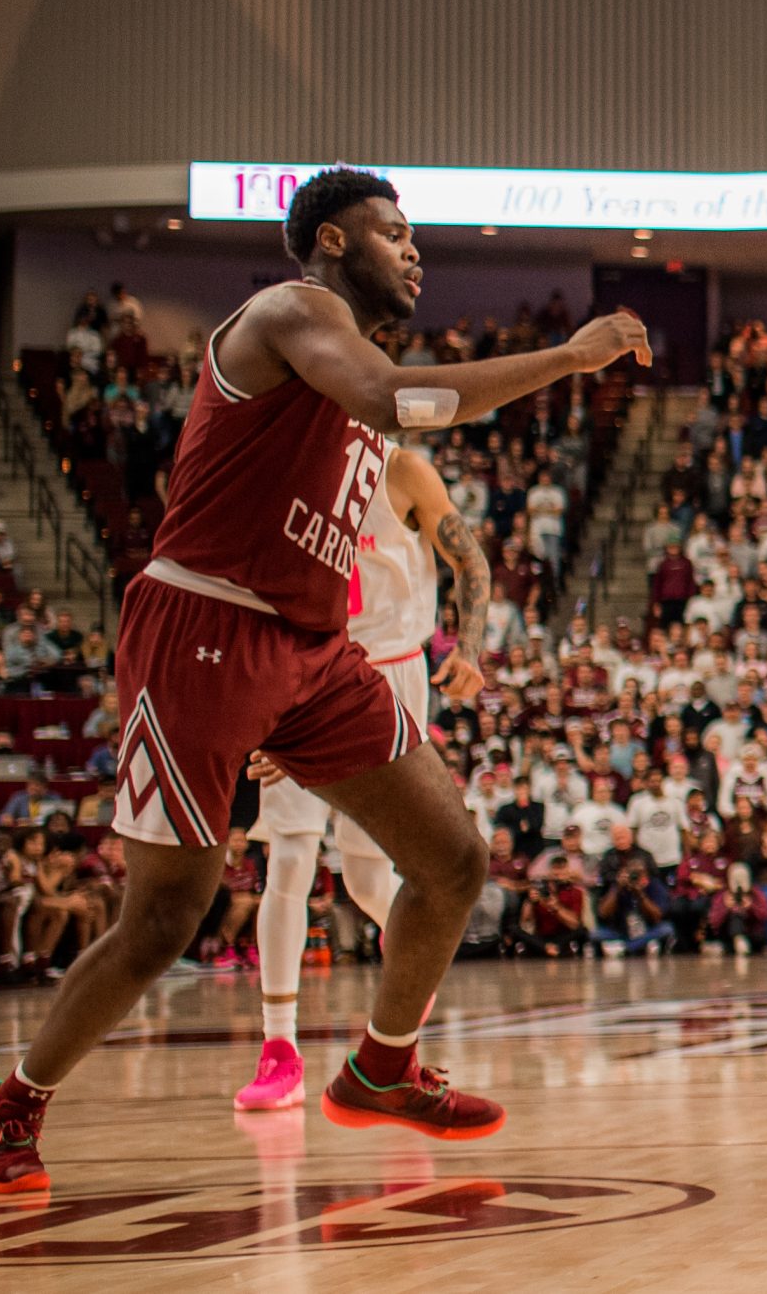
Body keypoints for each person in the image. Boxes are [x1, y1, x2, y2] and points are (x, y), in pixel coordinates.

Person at [0, 167, 648, 1195]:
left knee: (454, 860)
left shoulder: (357, 370)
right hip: (204, 627)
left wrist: (461, 588)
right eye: (395, 233)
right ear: (331, 240)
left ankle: (382, 1066)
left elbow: (398, 429)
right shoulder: (292, 313)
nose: (416, 252)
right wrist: (574, 356)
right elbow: (395, 399)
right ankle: (8, 1102)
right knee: (163, 920)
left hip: (317, 651)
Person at [236, 443, 488, 1112]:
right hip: (305, 672)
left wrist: (472, 645)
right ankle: (278, 1048)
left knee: (367, 876)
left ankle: (413, 961)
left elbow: (468, 555)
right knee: (288, 858)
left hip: (389, 676)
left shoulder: (401, 468)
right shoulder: (285, 465)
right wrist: (258, 707)